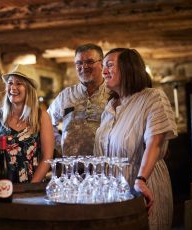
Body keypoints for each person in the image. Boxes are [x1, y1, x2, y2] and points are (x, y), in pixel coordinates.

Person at [93, 48, 177, 229]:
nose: (104, 71)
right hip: (113, 193)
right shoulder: (110, 106)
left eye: (109, 65)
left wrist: (141, 180)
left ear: (128, 67)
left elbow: (154, 143)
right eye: (103, 67)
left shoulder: (152, 97)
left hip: (143, 187)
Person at [0, 64, 54, 185]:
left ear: (29, 89)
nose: (13, 87)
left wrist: (30, 188)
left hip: (29, 185)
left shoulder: (41, 117)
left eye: (19, 83)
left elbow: (47, 158)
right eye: (10, 83)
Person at [47, 43, 110, 156]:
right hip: (71, 168)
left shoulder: (113, 95)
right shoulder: (66, 96)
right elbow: (47, 122)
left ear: (102, 64)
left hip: (103, 167)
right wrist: (60, 145)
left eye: (90, 62)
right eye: (79, 63)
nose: (84, 66)